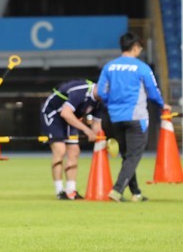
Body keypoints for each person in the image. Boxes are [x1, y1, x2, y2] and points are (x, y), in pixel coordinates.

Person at [96, 32, 171, 202]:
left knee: (127, 156)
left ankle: (136, 193)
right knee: (133, 156)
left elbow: (101, 92)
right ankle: (117, 190)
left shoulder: (109, 67)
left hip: (115, 117)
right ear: (136, 47)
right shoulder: (142, 67)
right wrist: (162, 105)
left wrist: (111, 103)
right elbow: (153, 92)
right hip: (136, 117)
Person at [40, 79, 103, 200]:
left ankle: (71, 190)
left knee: (74, 151)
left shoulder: (101, 101)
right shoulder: (80, 91)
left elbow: (96, 125)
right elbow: (65, 113)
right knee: (60, 150)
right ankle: (60, 191)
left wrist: (100, 140)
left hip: (70, 119)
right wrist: (86, 130)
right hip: (53, 115)